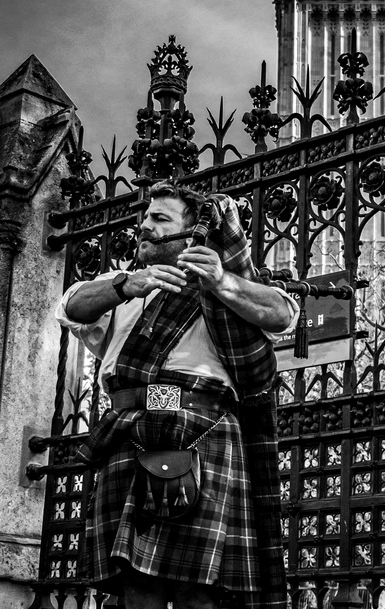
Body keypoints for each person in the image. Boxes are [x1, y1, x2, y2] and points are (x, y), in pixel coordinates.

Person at [56, 180, 298, 609]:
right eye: (145, 217)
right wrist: (128, 285)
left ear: (192, 232)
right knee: (135, 586)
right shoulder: (126, 283)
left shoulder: (225, 289)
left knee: (198, 591)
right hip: (129, 430)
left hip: (201, 431)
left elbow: (281, 313)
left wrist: (221, 282)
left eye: (160, 219)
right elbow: (71, 306)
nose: (145, 226)